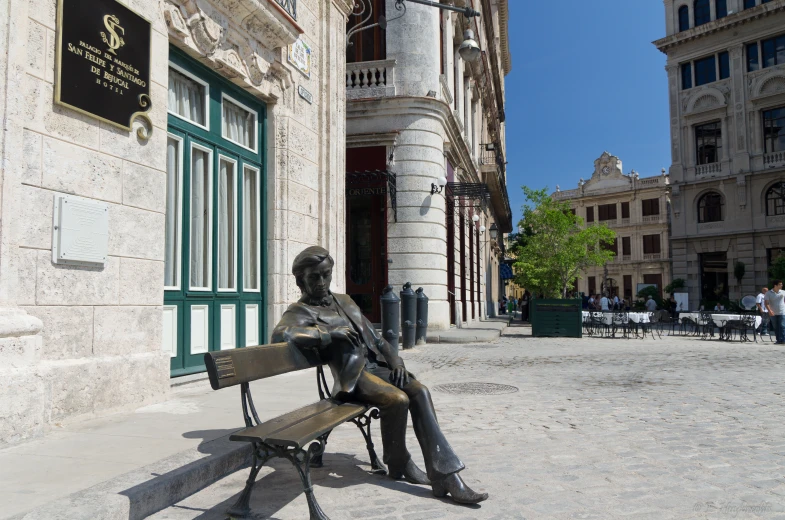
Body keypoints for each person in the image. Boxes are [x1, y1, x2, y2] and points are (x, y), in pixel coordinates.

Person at [272, 247, 488, 503]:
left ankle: (445, 475)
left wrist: (396, 362)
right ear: (300, 281)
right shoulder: (300, 311)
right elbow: (279, 335)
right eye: (314, 277)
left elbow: (377, 338)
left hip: (379, 367)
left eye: (326, 275)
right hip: (354, 378)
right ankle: (400, 463)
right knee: (397, 399)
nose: (321, 283)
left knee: (420, 391)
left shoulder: (345, 301)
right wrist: (328, 335)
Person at [765, 280, 785, 344]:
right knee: (776, 327)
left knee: (782, 326)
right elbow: (766, 303)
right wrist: (769, 310)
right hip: (773, 312)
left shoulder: (783, 292)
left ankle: (783, 339)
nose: (781, 285)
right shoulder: (768, 293)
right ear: (775, 285)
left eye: (781, 284)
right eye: (780, 284)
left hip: (782, 311)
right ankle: (778, 340)